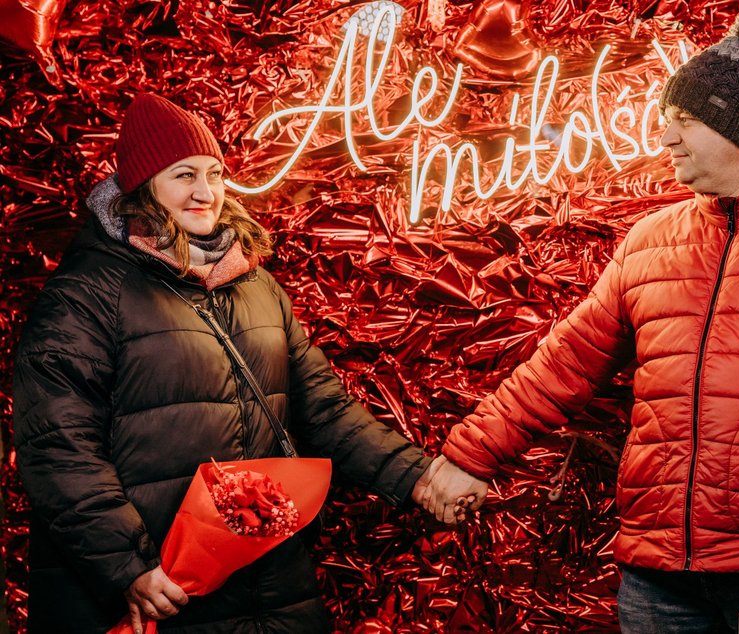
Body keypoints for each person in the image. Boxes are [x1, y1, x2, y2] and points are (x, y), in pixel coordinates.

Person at [425, 6, 739, 633]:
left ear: (738, 125)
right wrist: (470, 456)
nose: (665, 137)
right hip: (658, 571)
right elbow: (563, 364)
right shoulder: (650, 241)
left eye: (684, 120)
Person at [11, 93, 477, 634]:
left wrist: (420, 476)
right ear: (144, 186)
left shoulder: (256, 285)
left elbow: (322, 406)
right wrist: (127, 566)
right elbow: (57, 446)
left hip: (270, 582)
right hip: (161, 593)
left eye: (214, 173)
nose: (205, 192)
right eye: (184, 175)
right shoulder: (88, 293)